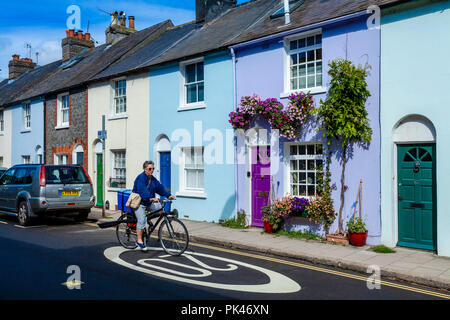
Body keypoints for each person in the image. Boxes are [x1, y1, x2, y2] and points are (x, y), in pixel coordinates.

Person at [132, 160, 175, 251]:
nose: (152, 170)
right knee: (141, 220)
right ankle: (139, 241)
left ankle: (149, 219)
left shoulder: (153, 179)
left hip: (148, 202)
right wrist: (151, 198)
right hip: (139, 203)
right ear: (145, 169)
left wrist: (168, 195)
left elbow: (159, 188)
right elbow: (143, 192)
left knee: (160, 207)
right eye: (150, 169)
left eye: (153, 169)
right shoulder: (141, 178)